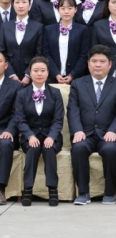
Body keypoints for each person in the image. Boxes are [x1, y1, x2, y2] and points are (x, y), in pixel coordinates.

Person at [67, 44, 116, 205]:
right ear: (88, 64)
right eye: (94, 61)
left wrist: (114, 130)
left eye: (102, 61)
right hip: (85, 133)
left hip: (108, 134)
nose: (98, 65)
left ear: (110, 64)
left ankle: (110, 192)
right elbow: (73, 109)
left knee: (110, 150)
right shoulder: (78, 84)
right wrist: (77, 130)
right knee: (78, 148)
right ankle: (83, 193)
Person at [15, 56, 64, 207]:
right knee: (33, 148)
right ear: (30, 72)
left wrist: (52, 136)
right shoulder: (22, 94)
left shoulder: (55, 93)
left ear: (48, 73)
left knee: (49, 149)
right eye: (35, 70)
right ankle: (28, 189)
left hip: (51, 135)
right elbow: (20, 119)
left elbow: (58, 119)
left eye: (43, 70)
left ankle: (53, 190)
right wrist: (29, 135)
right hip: (30, 135)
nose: (39, 73)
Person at [43, 0, 90, 84]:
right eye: (63, 8)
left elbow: (84, 55)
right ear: (58, 9)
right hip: (52, 77)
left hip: (76, 79)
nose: (66, 11)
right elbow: (46, 54)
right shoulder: (48, 29)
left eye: (70, 8)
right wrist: (56, 74)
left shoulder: (82, 30)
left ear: (75, 9)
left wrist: (72, 75)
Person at [0, 0, 43, 84]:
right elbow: (2, 51)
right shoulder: (5, 26)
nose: (20, 6)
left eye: (24, 2)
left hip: (31, 76)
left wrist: (28, 75)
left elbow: (39, 53)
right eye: (17, 2)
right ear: (13, 5)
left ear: (30, 5)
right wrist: (11, 74)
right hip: (9, 74)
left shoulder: (38, 27)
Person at [0, 51, 22, 205]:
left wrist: (9, 131)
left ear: (6, 65)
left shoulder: (15, 87)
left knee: (5, 144)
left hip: (5, 129)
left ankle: (0, 189)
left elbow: (17, 114)